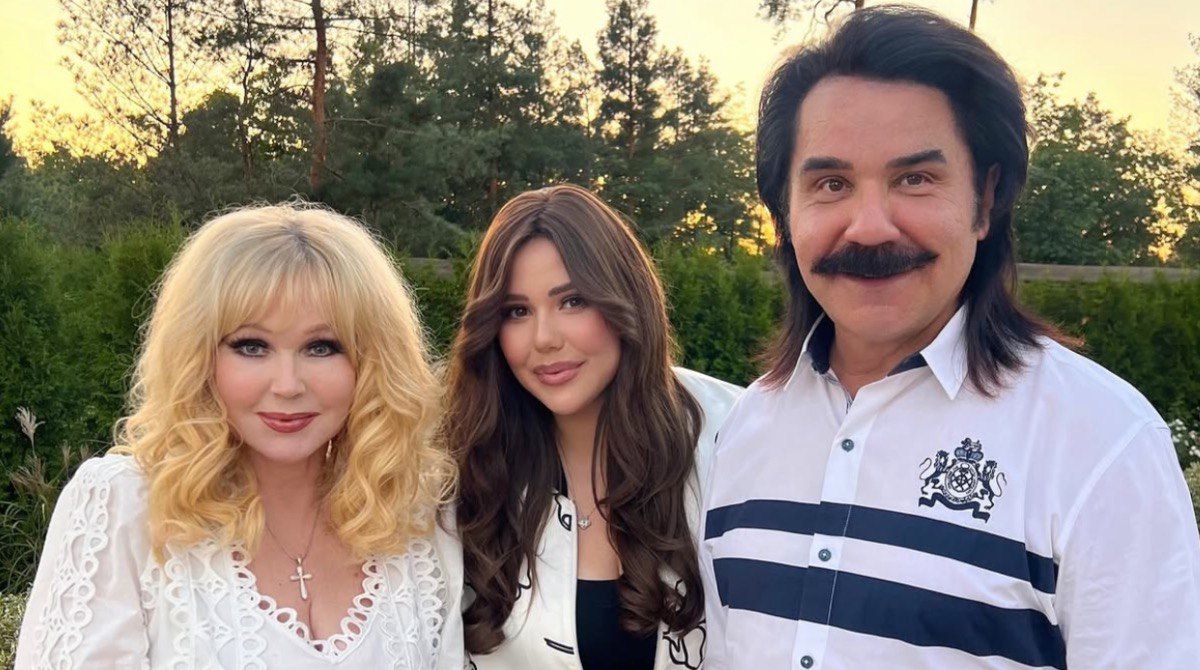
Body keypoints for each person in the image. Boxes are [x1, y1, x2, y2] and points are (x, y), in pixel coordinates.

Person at [699, 7, 1200, 670]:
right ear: (783, 217)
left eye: (914, 179)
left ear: (985, 201)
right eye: (831, 184)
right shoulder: (747, 431)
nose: (870, 226)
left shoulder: (1100, 444)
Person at [16, 204, 464, 669]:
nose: (288, 385)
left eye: (322, 347)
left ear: (373, 362)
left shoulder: (416, 518)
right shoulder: (123, 507)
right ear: (198, 357)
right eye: (252, 346)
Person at [443, 184, 742, 669]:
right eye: (517, 312)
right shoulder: (460, 464)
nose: (544, 339)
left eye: (573, 301)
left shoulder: (734, 435)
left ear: (625, 298)